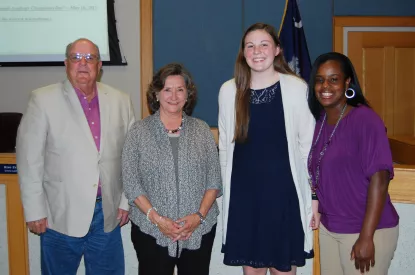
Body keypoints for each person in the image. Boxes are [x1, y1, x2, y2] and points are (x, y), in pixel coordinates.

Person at [16, 38, 135, 275]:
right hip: (60, 216)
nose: (83, 64)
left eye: (90, 58)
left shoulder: (121, 100)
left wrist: (125, 201)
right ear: (66, 63)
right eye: (76, 58)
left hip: (107, 216)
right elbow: (30, 160)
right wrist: (34, 210)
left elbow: (130, 157)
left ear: (99, 65)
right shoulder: (42, 100)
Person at [219, 22, 316, 275]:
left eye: (264, 44)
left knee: (282, 270)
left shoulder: (297, 88)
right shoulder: (229, 91)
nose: (257, 51)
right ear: (243, 52)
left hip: (283, 197)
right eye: (250, 46)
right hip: (244, 198)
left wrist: (314, 198)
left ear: (277, 50)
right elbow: (225, 149)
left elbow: (309, 149)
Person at [122, 63, 222, 275]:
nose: (174, 96)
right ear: (157, 94)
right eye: (167, 89)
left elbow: (214, 180)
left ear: (188, 95)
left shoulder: (202, 130)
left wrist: (198, 217)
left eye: (180, 89)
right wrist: (157, 220)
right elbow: (131, 182)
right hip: (150, 230)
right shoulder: (138, 132)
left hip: (199, 229)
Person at [307, 52, 399, 275]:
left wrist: (366, 236)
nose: (325, 86)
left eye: (333, 79)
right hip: (330, 228)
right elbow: (319, 170)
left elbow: (380, 178)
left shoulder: (365, 119)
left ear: (347, 82)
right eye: (319, 80)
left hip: (366, 230)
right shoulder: (320, 121)